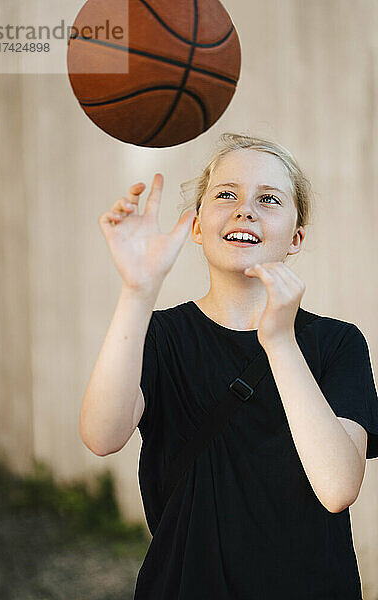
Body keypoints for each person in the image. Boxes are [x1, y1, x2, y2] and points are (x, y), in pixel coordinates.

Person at [81, 132, 378, 599]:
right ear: (197, 226)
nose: (245, 209)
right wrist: (137, 291)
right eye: (226, 194)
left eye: (269, 199)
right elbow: (101, 436)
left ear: (295, 238)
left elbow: (338, 487)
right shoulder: (159, 335)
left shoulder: (337, 343)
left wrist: (279, 341)